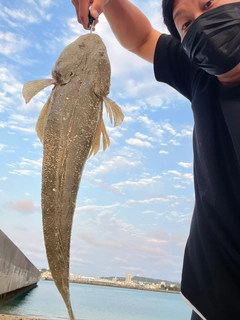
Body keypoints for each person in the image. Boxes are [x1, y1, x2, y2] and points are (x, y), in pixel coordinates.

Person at [71, 0, 240, 319]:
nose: (203, 23)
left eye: (208, 3)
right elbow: (142, 39)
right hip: (211, 304)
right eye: (186, 24)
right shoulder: (199, 75)